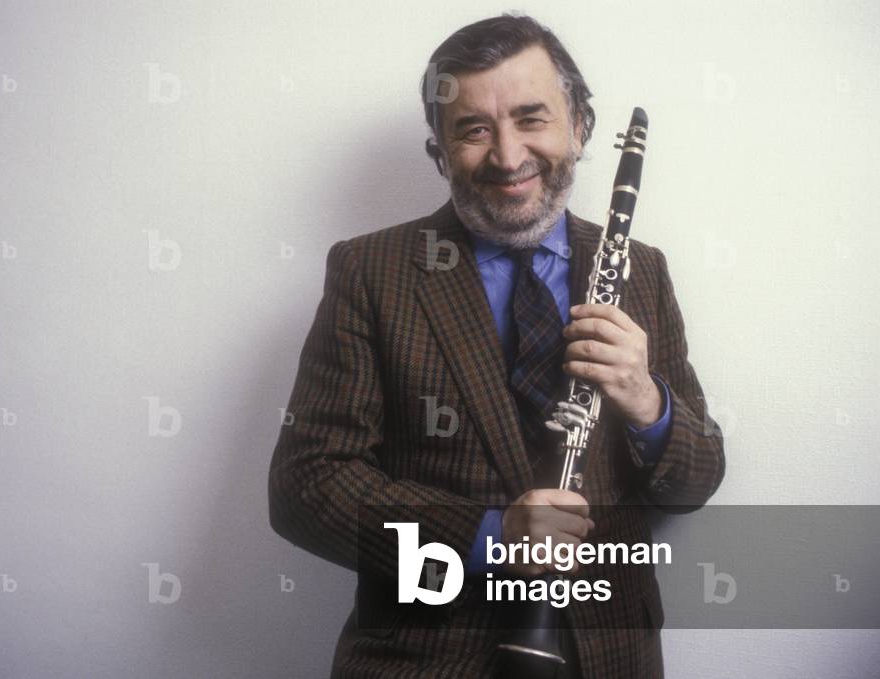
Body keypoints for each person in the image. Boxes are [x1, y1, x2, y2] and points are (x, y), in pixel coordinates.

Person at [268, 13, 724, 679]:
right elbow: (306, 488)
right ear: (439, 151)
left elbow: (694, 481)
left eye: (531, 118)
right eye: (473, 130)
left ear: (581, 127)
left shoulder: (641, 268)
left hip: (609, 656)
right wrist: (488, 535)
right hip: (427, 659)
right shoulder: (371, 271)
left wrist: (647, 401)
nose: (508, 156)